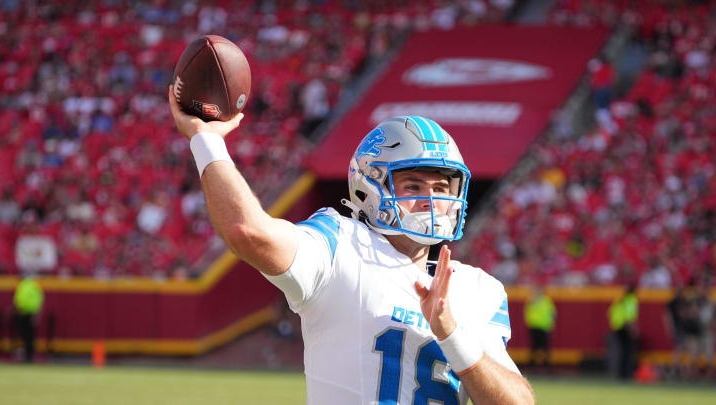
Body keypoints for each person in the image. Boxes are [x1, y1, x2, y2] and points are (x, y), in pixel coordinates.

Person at [168, 86, 535, 404]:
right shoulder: (341, 245)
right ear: (368, 188)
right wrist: (206, 139)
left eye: (442, 188)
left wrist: (452, 334)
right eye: (413, 186)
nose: (431, 199)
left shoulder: (479, 289)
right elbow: (246, 230)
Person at [607, 284, 638, 380]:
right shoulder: (631, 301)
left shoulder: (620, 300)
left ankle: (620, 373)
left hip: (617, 327)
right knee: (628, 352)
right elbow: (629, 317)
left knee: (621, 351)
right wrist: (633, 329)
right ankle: (626, 374)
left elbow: (610, 312)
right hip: (625, 328)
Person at [524, 284, 556, 372]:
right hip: (535, 327)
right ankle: (533, 365)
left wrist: (550, 324)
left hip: (544, 327)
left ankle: (546, 365)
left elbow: (552, 313)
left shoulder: (545, 301)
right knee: (535, 347)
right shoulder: (533, 300)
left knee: (544, 348)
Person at [12, 275, 44, 362]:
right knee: (28, 335)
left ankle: (29, 355)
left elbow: (17, 299)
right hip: (28, 313)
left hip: (26, 312)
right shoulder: (34, 286)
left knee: (28, 335)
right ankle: (28, 355)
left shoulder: (23, 286)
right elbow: (39, 300)